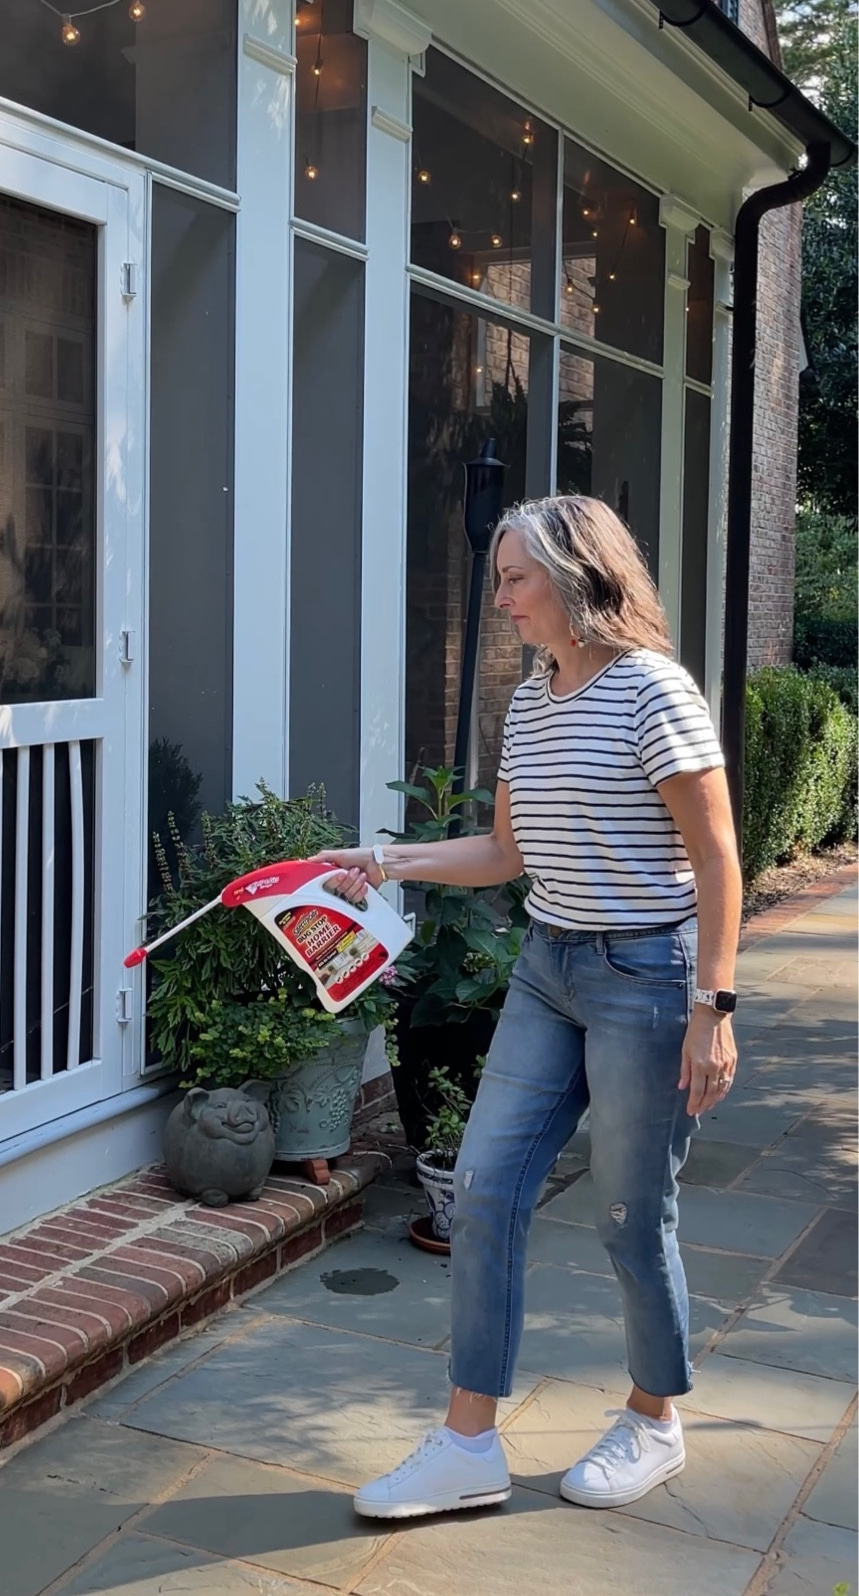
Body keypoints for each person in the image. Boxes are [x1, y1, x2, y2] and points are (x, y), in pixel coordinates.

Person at [322, 494, 741, 1520]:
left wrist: (714, 1005)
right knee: (484, 1187)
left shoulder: (655, 693)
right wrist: (382, 860)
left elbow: (719, 857)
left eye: (514, 578)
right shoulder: (538, 697)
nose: (500, 597)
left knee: (631, 1213)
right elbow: (505, 852)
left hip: (649, 974)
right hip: (549, 967)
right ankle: (469, 1442)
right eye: (500, 576)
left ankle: (653, 1418)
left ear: (574, 576)